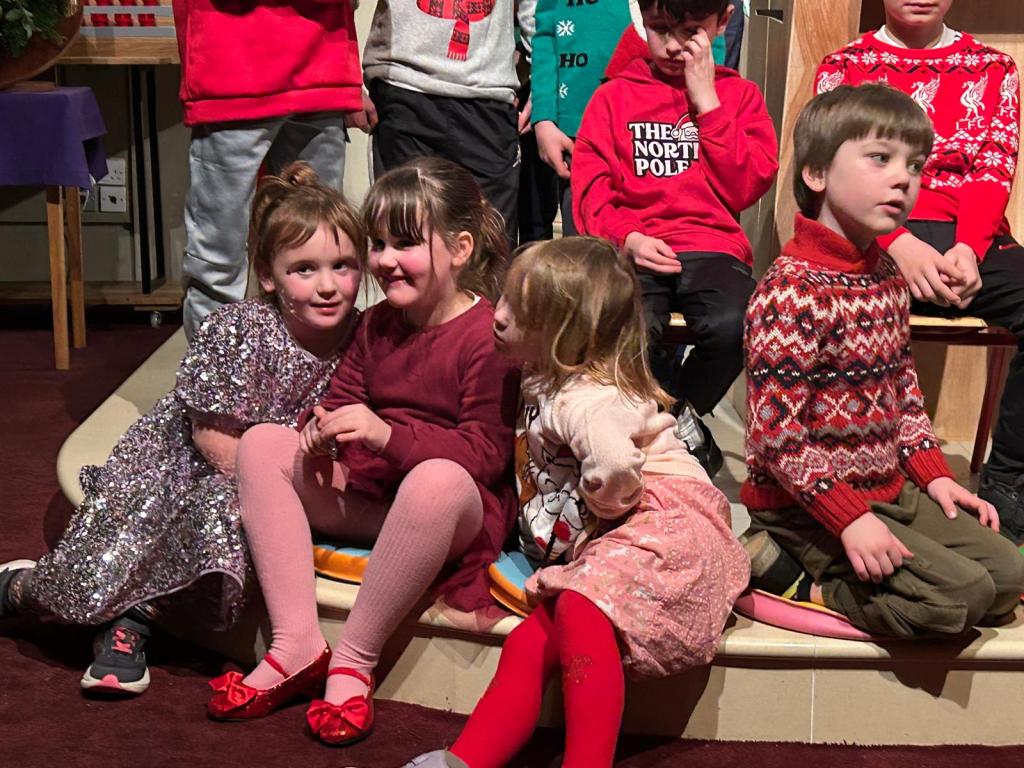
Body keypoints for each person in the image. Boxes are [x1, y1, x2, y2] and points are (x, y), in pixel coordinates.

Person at [0, 164, 366, 695]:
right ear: (269, 276)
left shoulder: (366, 337)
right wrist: (272, 486)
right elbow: (211, 437)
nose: (328, 286)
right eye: (305, 269)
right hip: (189, 463)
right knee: (132, 550)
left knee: (239, 517)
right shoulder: (239, 329)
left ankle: (131, 624)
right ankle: (29, 591)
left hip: (281, 477)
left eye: (343, 266)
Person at [208, 157, 519, 746]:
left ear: (459, 249)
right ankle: (296, 643)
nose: (385, 259)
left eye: (405, 243)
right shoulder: (376, 323)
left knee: (437, 480)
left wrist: (385, 436)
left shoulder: (487, 335)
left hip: (447, 511)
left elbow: (484, 455)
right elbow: (342, 396)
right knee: (263, 443)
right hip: (374, 496)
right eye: (378, 244)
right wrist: (320, 427)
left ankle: (353, 659)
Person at [404, 237, 750, 768]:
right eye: (504, 297)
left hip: (668, 521)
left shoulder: (584, 398)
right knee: (527, 644)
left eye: (522, 311)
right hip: (641, 528)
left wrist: (606, 506)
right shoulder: (550, 377)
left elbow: (614, 465)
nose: (499, 315)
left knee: (579, 607)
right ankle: (465, 760)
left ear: (567, 333)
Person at [743, 83, 1024, 639]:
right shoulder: (790, 292)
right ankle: (795, 578)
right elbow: (776, 437)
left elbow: (905, 398)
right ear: (816, 173)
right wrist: (849, 518)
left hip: (887, 489)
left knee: (1008, 579)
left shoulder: (887, 277)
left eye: (915, 166)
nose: (904, 179)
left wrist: (935, 477)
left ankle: (875, 553)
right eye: (880, 158)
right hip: (803, 505)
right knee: (958, 600)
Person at [814, 0, 1024, 543]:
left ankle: (1008, 482)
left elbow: (993, 167)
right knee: (820, 304)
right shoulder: (844, 66)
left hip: (968, 238)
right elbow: (831, 173)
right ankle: (844, 482)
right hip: (870, 233)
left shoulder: (993, 67)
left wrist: (969, 249)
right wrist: (895, 243)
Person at [571, 0, 777, 477]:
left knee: (738, 325)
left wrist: (707, 103)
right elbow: (589, 185)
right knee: (631, 328)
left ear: (723, 22)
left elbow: (747, 185)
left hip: (713, 246)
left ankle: (674, 417)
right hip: (636, 245)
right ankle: (672, 432)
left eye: (691, 31)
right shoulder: (613, 96)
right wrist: (626, 237)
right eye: (660, 28)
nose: (673, 45)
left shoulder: (739, 95)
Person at [173, 0, 364, 339]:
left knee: (321, 248)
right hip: (233, 70)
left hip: (321, 65)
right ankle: (217, 369)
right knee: (219, 259)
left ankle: (316, 364)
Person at [361, 0, 522, 244]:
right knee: (403, 235)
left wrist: (540, 90)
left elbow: (536, 11)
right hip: (403, 83)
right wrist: (347, 82)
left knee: (491, 246)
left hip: (488, 93)